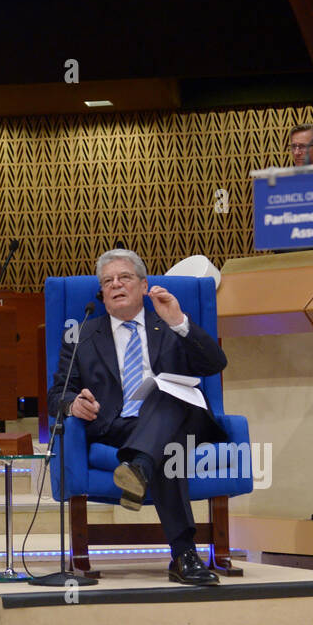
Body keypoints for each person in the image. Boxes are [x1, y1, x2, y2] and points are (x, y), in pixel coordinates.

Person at [50, 249, 229, 586]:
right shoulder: (83, 335)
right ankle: (183, 555)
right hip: (119, 427)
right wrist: (73, 404)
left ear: (144, 285)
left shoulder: (170, 323)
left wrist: (179, 321)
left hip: (182, 418)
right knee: (164, 449)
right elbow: (57, 392)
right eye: (107, 281)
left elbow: (214, 364)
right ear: (101, 294)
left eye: (125, 277)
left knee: (163, 393)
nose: (115, 285)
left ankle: (139, 469)